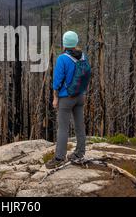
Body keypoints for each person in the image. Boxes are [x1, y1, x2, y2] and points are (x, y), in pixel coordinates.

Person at [45, 31, 91, 169]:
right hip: (80, 96)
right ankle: (79, 153)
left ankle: (59, 158)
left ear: (65, 43)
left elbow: (57, 81)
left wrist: (55, 97)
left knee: (63, 128)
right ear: (75, 42)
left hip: (66, 98)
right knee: (79, 126)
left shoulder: (62, 59)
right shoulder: (83, 56)